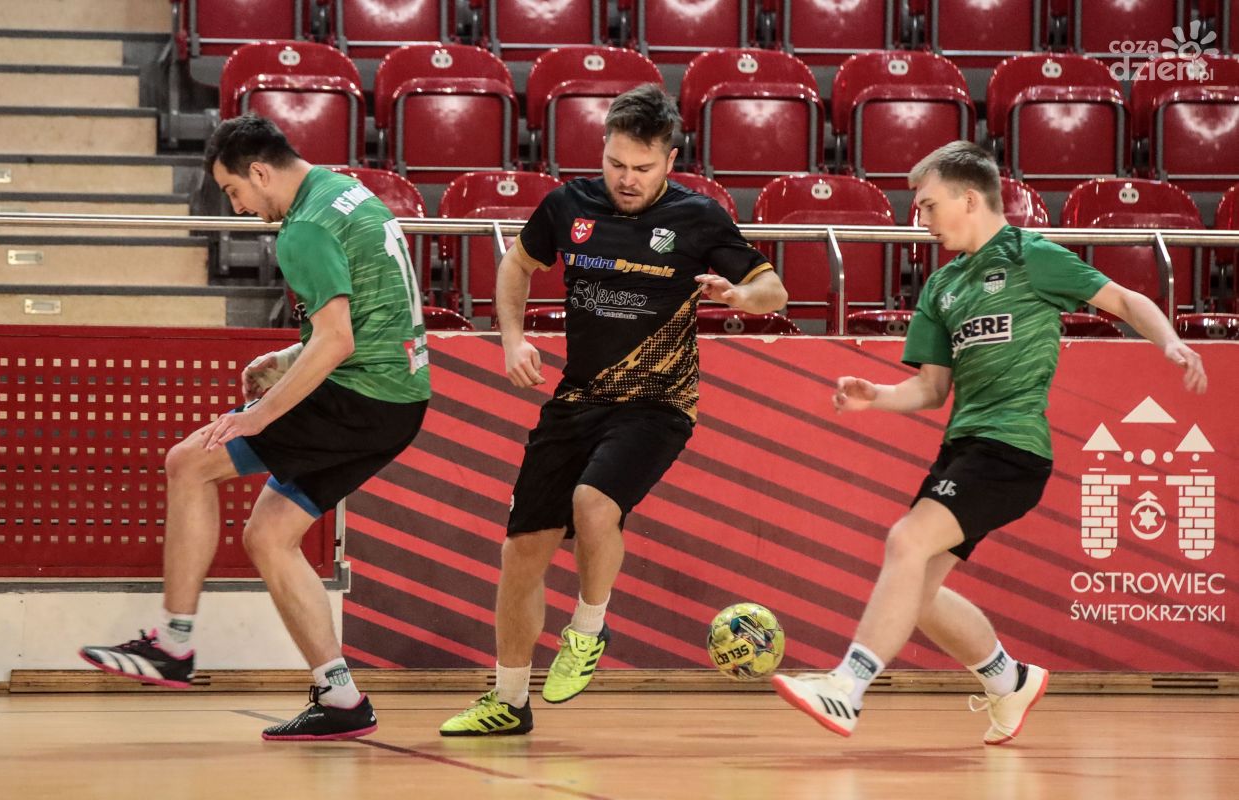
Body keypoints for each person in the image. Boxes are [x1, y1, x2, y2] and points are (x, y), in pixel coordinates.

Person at [772, 141, 1208, 743]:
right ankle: (1010, 680)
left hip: (1013, 449)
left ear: (970, 199)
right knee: (918, 592)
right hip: (963, 449)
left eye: (929, 205)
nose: (920, 219)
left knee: (905, 542)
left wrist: (1170, 341)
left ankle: (848, 686)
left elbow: (1124, 300)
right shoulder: (941, 287)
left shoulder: (1031, 256)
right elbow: (931, 390)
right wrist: (876, 395)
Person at [439, 84, 788, 736]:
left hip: (659, 402)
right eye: (616, 163)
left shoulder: (698, 217)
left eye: (643, 167)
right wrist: (512, 339)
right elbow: (517, 265)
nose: (627, 179)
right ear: (602, 150)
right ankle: (509, 701)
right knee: (522, 553)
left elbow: (774, 288)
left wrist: (741, 295)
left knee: (593, 503)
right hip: (577, 398)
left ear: (671, 160)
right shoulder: (568, 204)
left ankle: (588, 628)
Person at [79, 113, 431, 741]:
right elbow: (374, 316)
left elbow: (338, 341)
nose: (239, 208)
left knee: (189, 461)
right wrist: (286, 359)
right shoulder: (345, 191)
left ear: (261, 173)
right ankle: (341, 699)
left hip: (363, 396)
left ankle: (173, 644)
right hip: (400, 398)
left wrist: (257, 416)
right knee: (269, 535)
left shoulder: (304, 228)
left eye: (235, 191)